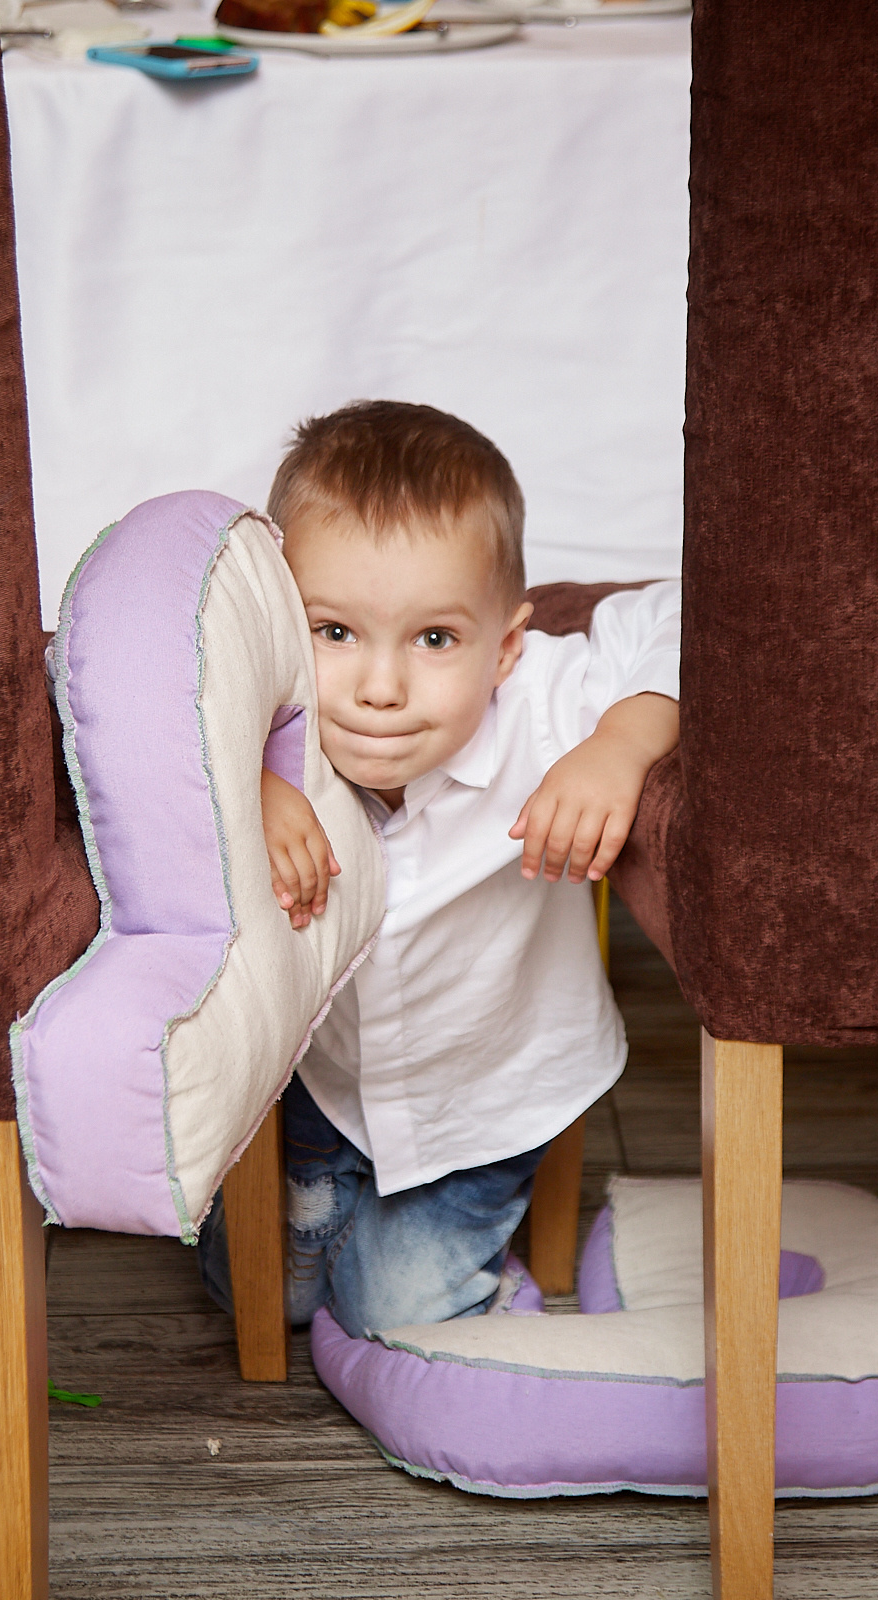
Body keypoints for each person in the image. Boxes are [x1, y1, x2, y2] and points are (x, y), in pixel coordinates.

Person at [198, 399, 680, 1338]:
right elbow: (116, 698)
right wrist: (243, 783)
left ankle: (454, 1264)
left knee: (397, 1310)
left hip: (487, 1100)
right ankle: (326, 1206)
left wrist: (619, 745)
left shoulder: (540, 704)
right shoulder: (259, 712)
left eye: (434, 639)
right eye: (333, 632)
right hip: (319, 1089)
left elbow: (686, 616)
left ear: (503, 649)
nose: (381, 687)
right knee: (254, 1291)